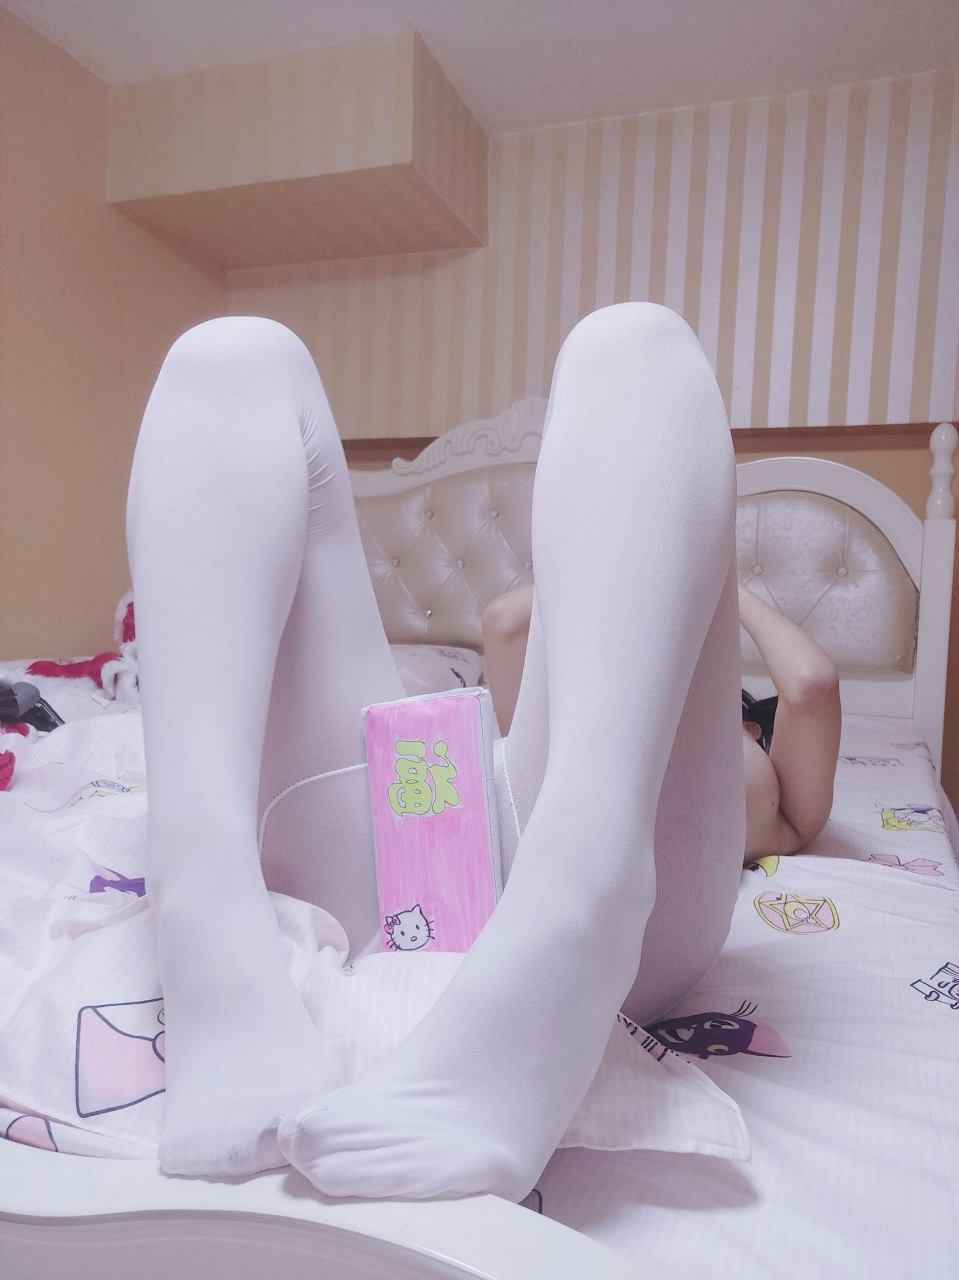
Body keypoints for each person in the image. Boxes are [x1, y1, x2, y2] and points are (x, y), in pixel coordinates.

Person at [127, 302, 749, 1204]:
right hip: (389, 847)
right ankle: (201, 905)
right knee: (226, 355)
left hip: (603, 824)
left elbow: (808, 687)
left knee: (637, 347)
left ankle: (581, 909)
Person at [484, 581, 841, 862]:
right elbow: (504, 619)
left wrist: (729, 586)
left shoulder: (786, 821)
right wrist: (640, 572)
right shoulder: (555, 764)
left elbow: (811, 681)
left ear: (750, 729)